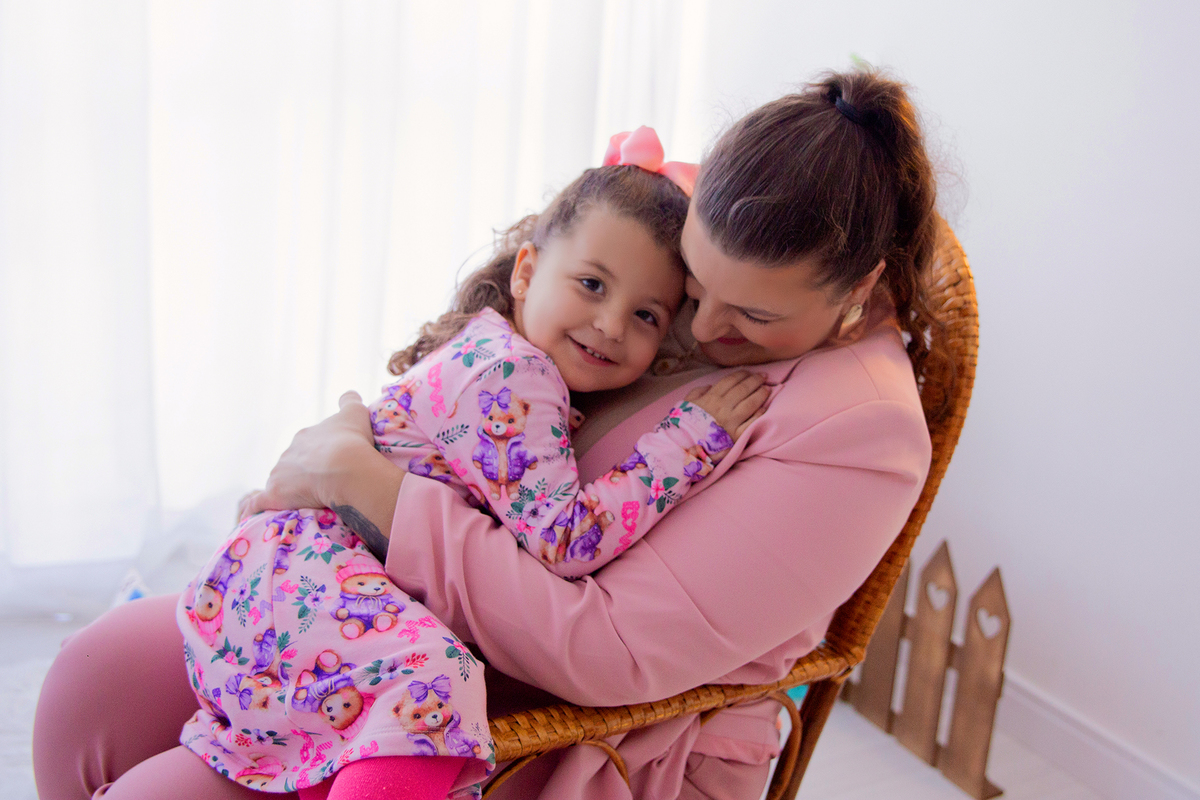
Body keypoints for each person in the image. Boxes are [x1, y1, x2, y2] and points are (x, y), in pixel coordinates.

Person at [34, 68, 943, 800]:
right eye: (696, 291)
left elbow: (608, 652)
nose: (701, 332)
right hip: (416, 595)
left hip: (567, 708)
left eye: (746, 318)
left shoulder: (860, 436)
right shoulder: (708, 231)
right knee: (93, 680)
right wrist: (355, 455)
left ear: (857, 289)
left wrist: (368, 482)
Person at [170, 127, 769, 800]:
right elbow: (565, 539)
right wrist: (689, 440)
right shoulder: (511, 377)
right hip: (309, 572)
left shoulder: (500, 351)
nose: (609, 324)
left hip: (288, 575)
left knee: (408, 697)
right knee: (433, 685)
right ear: (526, 271)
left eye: (646, 315)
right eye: (592, 284)